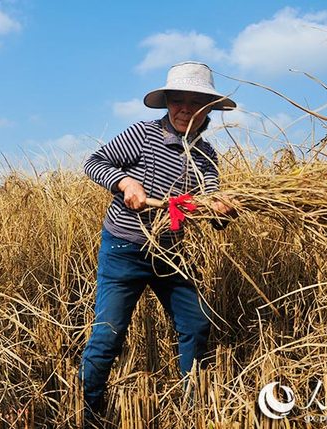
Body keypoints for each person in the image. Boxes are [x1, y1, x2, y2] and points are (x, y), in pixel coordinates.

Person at [79, 61, 236, 424]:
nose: (185, 109)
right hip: (125, 250)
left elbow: (209, 208)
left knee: (195, 326)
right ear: (167, 103)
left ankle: (193, 408)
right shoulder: (143, 135)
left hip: (173, 254)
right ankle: (89, 411)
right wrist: (124, 184)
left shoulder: (207, 157)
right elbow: (94, 162)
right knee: (108, 336)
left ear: (208, 109)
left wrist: (220, 210)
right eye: (177, 100)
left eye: (195, 102)